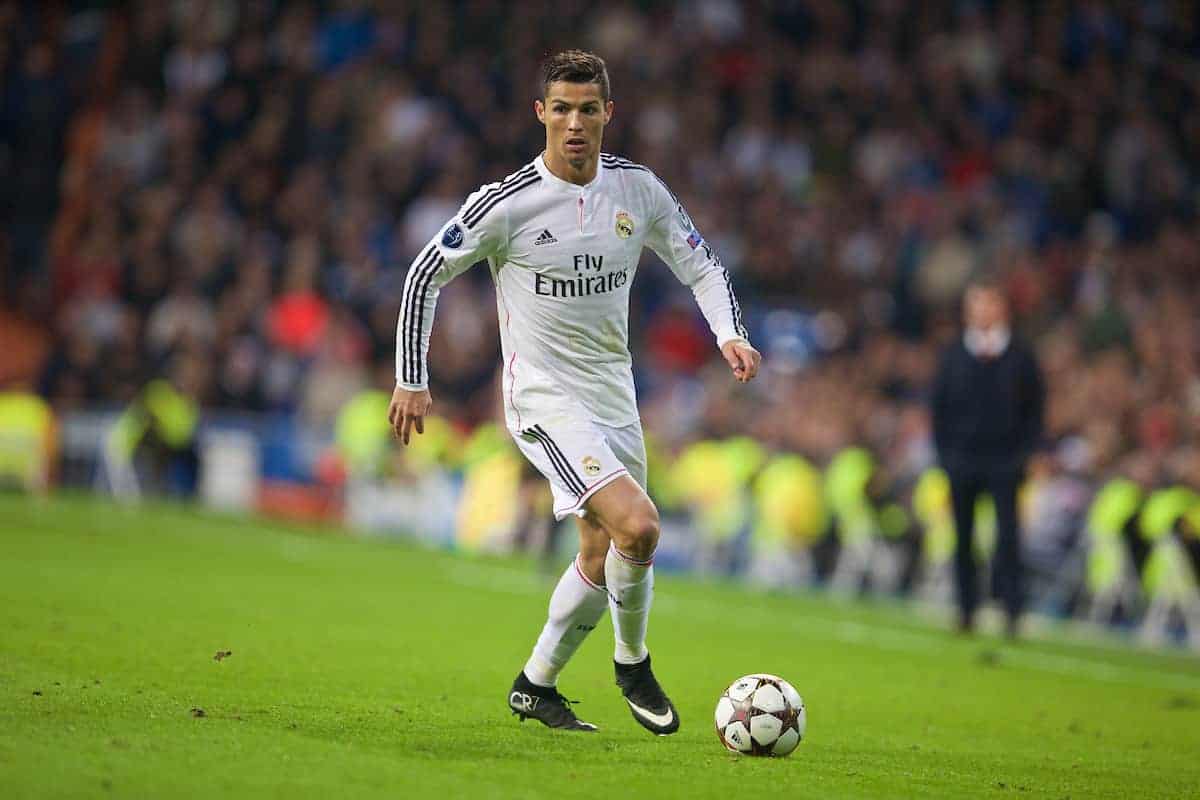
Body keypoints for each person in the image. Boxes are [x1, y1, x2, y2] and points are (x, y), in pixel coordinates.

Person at [388, 50, 760, 733]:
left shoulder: (638, 191)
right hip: (543, 397)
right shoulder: (508, 205)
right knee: (640, 525)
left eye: (588, 109)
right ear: (541, 114)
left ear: (607, 114)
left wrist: (727, 333)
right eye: (561, 108)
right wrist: (413, 379)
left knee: (602, 548)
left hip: (613, 394)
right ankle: (632, 662)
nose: (575, 122)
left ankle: (536, 685)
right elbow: (422, 276)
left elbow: (701, 263)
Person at [931, 279, 1044, 636]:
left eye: (988, 303)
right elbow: (939, 408)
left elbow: (1035, 409)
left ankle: (1012, 610)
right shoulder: (952, 353)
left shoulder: (1021, 355)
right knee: (963, 536)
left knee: (1008, 537)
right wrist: (946, 456)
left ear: (1002, 308)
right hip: (962, 459)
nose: (981, 311)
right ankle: (966, 609)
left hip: (1006, 460)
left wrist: (1025, 454)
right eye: (975, 304)